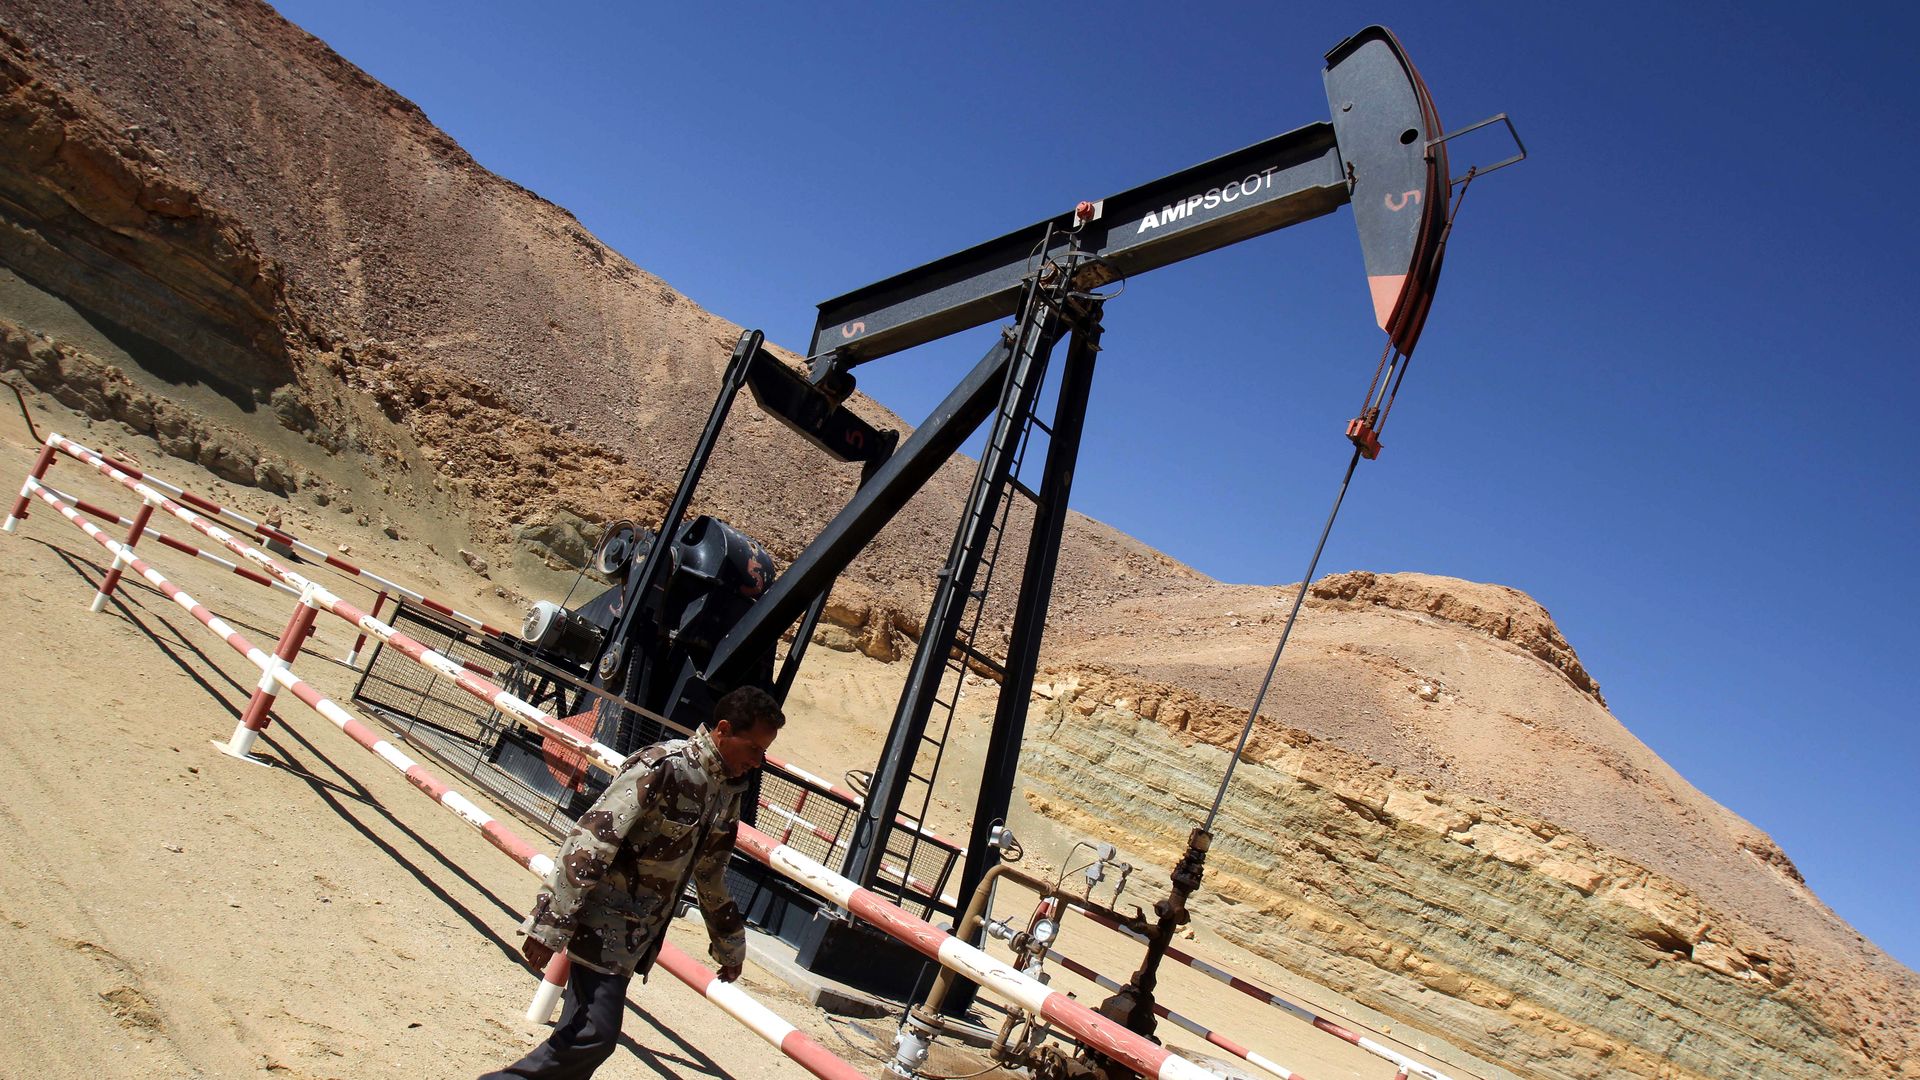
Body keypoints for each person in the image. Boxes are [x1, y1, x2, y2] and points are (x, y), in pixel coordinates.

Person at [481, 685, 784, 1079]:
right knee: (594, 1034)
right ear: (723, 729)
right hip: (600, 923)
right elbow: (590, 842)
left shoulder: (724, 792)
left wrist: (730, 947)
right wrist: (549, 925)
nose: (758, 762)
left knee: (581, 1031)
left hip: (633, 937)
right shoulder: (664, 766)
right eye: (754, 749)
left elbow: (710, 873)